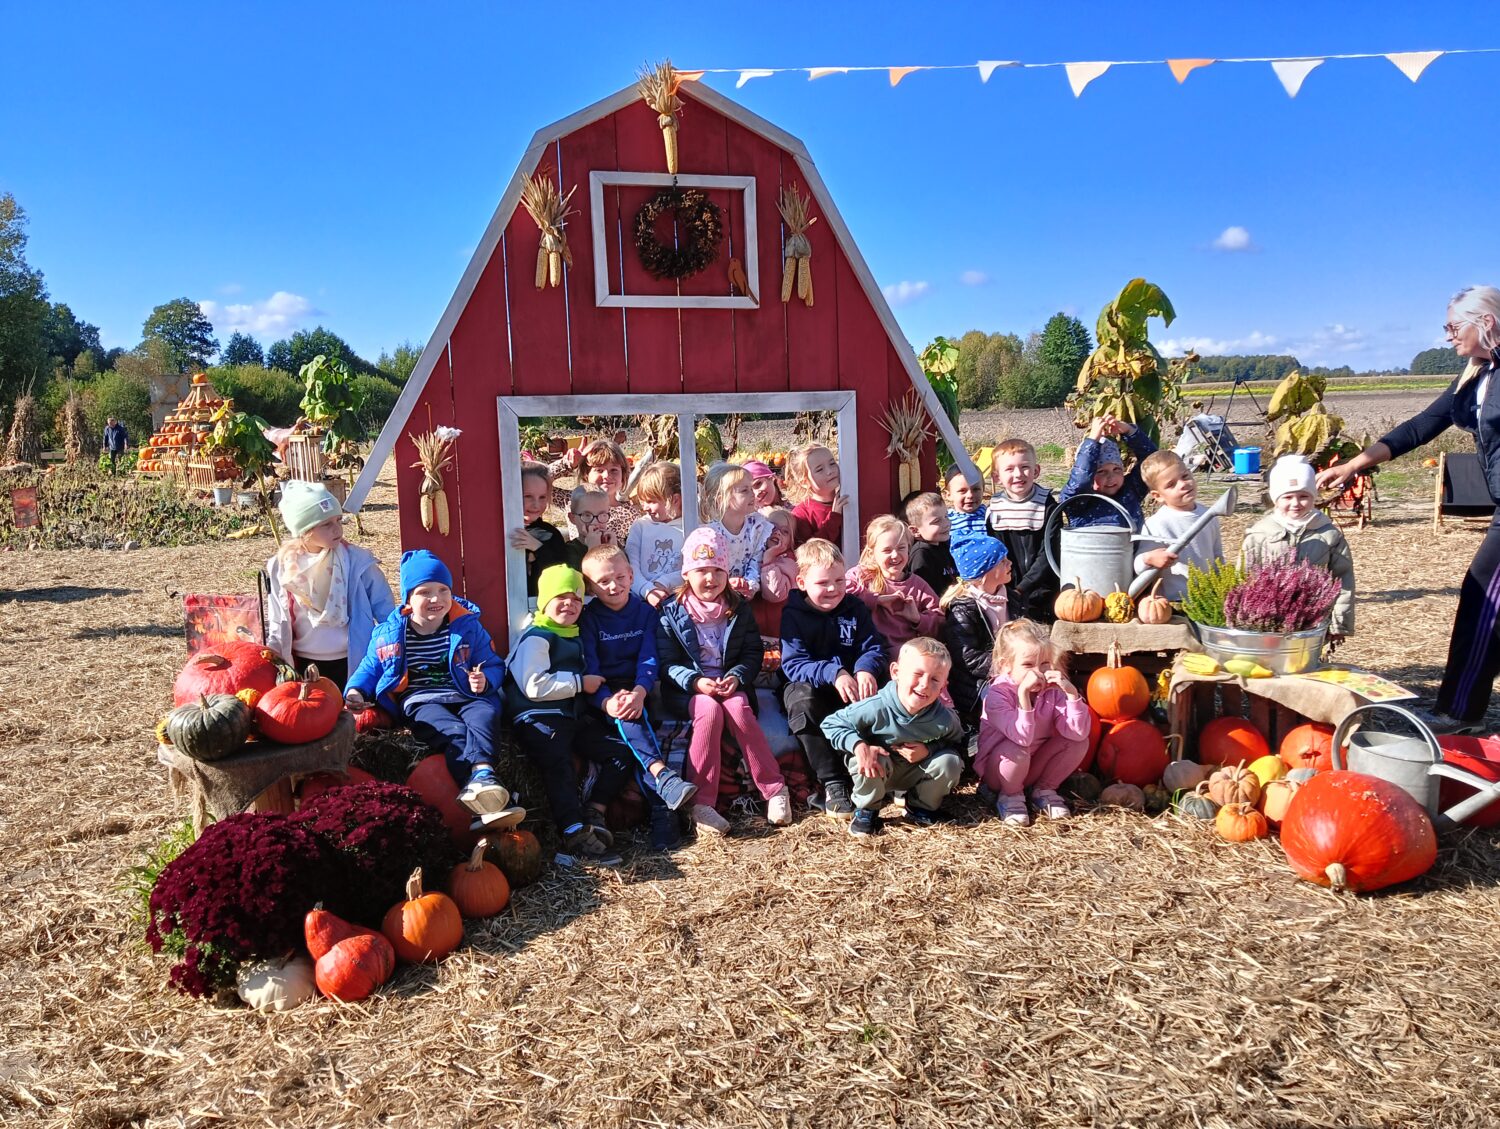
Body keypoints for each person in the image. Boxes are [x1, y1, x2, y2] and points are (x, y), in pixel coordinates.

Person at [1317, 285, 1500, 731]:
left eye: (1454, 327)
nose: (1448, 337)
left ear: (1487, 323)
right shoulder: (1476, 376)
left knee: (1483, 599)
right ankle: (1456, 708)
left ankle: (1458, 712)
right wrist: (1356, 464)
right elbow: (1422, 426)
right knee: (1481, 599)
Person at [345, 550, 524, 831]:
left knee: (485, 717)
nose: (436, 599)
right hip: (421, 699)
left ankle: (482, 780)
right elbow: (370, 666)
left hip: (466, 693)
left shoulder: (466, 626)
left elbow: (493, 663)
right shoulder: (391, 634)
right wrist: (356, 690)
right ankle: (485, 787)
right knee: (451, 731)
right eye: (424, 592)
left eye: (443, 590)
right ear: (407, 599)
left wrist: (486, 681)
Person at [656, 527, 790, 834]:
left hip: (730, 683)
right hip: (688, 689)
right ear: (686, 573)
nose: (710, 579)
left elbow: (752, 651)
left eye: (718, 570)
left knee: (739, 710)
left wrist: (737, 676)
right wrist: (694, 682)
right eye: (701, 571)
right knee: (709, 710)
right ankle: (702, 803)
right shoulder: (671, 611)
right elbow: (667, 663)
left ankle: (774, 789)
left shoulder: (738, 608)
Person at [577, 545, 698, 852]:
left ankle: (662, 805)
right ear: (591, 586)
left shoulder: (645, 612)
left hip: (640, 686)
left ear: (631, 576)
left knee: (635, 719)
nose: (614, 585)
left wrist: (640, 692)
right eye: (603, 582)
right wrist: (607, 702)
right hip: (602, 691)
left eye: (620, 577)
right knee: (629, 716)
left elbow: (648, 658)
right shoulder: (590, 618)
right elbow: (590, 668)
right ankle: (662, 797)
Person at [503, 564, 622, 867]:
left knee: (621, 752)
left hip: (569, 717)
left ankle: (595, 810)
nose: (570, 604)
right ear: (544, 601)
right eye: (561, 597)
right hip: (538, 717)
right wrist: (581, 684)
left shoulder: (574, 635)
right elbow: (533, 685)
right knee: (559, 764)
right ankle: (573, 833)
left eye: (577, 599)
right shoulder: (537, 637)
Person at [779, 538, 886, 817]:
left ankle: (883, 770)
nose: (833, 589)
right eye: (823, 583)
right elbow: (794, 664)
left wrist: (865, 669)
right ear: (802, 583)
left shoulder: (855, 609)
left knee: (886, 692)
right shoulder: (793, 616)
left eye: (839, 581)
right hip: (815, 689)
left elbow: (873, 647)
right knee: (800, 701)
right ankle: (833, 782)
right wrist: (834, 672)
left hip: (852, 688)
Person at [821, 636, 965, 839]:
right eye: (918, 674)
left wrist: (929, 751)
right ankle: (867, 810)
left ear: (944, 685)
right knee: (870, 758)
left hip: (915, 771)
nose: (924, 685)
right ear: (896, 672)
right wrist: (859, 746)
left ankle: (921, 807)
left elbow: (957, 741)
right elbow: (831, 723)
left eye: (935, 679)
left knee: (949, 761)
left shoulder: (944, 719)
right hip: (878, 770)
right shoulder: (875, 706)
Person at [264, 480, 395, 689]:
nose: (337, 529)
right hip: (303, 663)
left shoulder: (357, 562)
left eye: (339, 520)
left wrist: (394, 647)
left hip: (353, 663)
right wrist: (274, 656)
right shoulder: (284, 567)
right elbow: (278, 618)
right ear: (304, 529)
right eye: (326, 524)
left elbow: (386, 610)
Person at [976, 618, 1090, 826]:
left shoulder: (1052, 691)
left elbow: (1078, 733)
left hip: (1033, 766)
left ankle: (1044, 789)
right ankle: (1009, 796)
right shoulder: (997, 694)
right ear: (1005, 666)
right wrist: (1023, 696)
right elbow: (1022, 736)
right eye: (1028, 665)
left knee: (1078, 743)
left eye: (1045, 664)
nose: (1038, 672)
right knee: (1018, 748)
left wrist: (1072, 695)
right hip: (1000, 773)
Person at [1242, 455, 1355, 639]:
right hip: (1267, 621)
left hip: (1314, 619)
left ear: (1313, 496)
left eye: (1304, 496)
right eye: (1287, 497)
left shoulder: (1328, 534)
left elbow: (1344, 580)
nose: (1296, 503)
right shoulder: (1259, 534)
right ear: (1275, 498)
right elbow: (1245, 577)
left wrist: (1339, 624)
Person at [939, 535, 1011, 734]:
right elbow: (968, 657)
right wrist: (1007, 667)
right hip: (978, 683)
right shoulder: (964, 609)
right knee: (1004, 699)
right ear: (984, 574)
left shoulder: (1012, 598)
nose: (1010, 563)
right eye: (1002, 561)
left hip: (1013, 669)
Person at [1132, 451, 1224, 602]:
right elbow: (1138, 566)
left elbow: (1217, 555)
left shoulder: (1209, 515)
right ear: (1158, 496)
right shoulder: (1157, 524)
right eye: (1171, 484)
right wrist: (1149, 559)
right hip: (1175, 601)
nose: (1183, 484)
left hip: (1208, 600)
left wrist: (1223, 588)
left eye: (1185, 476)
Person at [845, 514, 944, 653]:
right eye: (887, 550)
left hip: (906, 651)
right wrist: (876, 600)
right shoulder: (861, 576)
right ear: (871, 552)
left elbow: (940, 619)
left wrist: (917, 618)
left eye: (901, 548)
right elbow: (842, 595)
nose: (895, 555)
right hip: (868, 649)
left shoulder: (917, 585)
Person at [986, 438, 1058, 622]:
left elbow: (1049, 553)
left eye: (1025, 467)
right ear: (996, 477)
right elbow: (997, 552)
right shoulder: (995, 509)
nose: (1018, 474)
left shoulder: (1048, 505)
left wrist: (1024, 586)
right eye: (1009, 469)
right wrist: (1009, 587)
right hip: (1008, 588)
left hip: (1044, 588)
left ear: (1036, 471)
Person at [1058, 414, 1158, 529]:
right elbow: (1081, 480)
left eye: (1116, 469)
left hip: (1131, 547)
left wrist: (1129, 431)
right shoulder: (1078, 500)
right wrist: (1092, 439)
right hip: (1091, 546)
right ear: (1090, 475)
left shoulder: (1131, 490)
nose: (1111, 477)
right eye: (1101, 472)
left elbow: (1152, 462)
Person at [549, 437, 641, 546]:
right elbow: (534, 482)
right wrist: (567, 464)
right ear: (586, 474)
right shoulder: (572, 500)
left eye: (614, 470)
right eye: (599, 470)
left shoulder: (630, 513)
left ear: (623, 475)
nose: (607, 476)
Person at [702, 462, 773, 598]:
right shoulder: (710, 533)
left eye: (751, 488)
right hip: (717, 594)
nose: (753, 494)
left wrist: (749, 586)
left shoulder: (757, 526)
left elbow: (756, 560)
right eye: (744, 490)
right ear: (722, 499)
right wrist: (726, 586)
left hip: (744, 594)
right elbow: (709, 567)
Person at [625, 461, 685, 608]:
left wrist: (664, 583)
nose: (645, 507)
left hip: (677, 601)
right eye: (643, 502)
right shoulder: (640, 527)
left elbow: (693, 569)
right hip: (641, 599)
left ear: (675, 500)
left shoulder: (691, 526)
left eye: (651, 501)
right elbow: (631, 566)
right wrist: (647, 590)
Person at [507, 461, 571, 598]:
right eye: (528, 496)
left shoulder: (551, 534)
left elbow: (561, 573)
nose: (536, 504)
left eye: (542, 497)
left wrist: (538, 548)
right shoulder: (500, 531)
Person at [752, 505, 798, 640]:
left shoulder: (789, 562)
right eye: (772, 527)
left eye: (785, 532)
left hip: (777, 634)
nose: (777, 533)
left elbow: (774, 594)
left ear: (791, 541)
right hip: (754, 631)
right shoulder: (754, 554)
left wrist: (769, 561)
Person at [786, 444, 847, 545]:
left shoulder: (849, 496)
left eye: (832, 463)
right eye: (819, 469)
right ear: (805, 482)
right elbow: (811, 551)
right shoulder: (801, 514)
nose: (829, 471)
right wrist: (834, 518)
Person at [905, 491, 958, 598]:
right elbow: (923, 593)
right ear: (915, 530)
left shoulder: (943, 544)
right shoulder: (921, 554)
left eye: (946, 516)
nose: (946, 524)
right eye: (937, 521)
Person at [943, 465, 990, 548]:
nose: (970, 495)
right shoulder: (946, 521)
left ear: (983, 489)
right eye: (962, 491)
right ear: (949, 495)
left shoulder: (989, 516)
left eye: (976, 489)